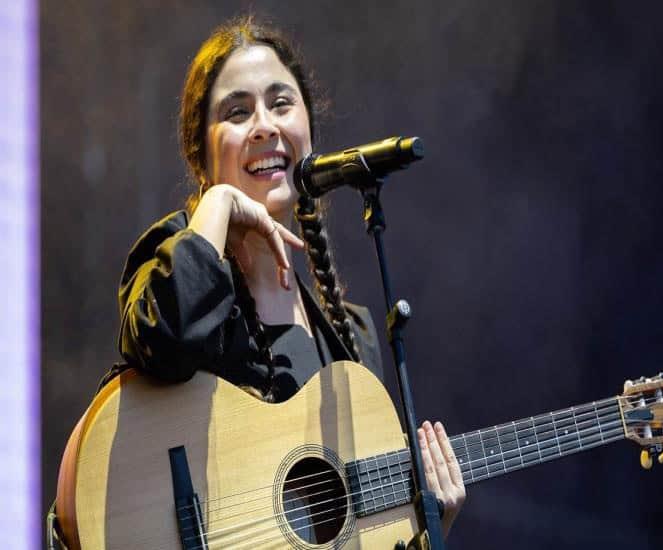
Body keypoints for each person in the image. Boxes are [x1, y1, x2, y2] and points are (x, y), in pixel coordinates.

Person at [117, 14, 466, 539]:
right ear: (201, 153)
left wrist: (429, 526)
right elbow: (163, 342)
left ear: (307, 133)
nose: (264, 125)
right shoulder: (172, 259)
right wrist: (218, 206)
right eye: (237, 112)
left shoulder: (353, 338)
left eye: (281, 104)